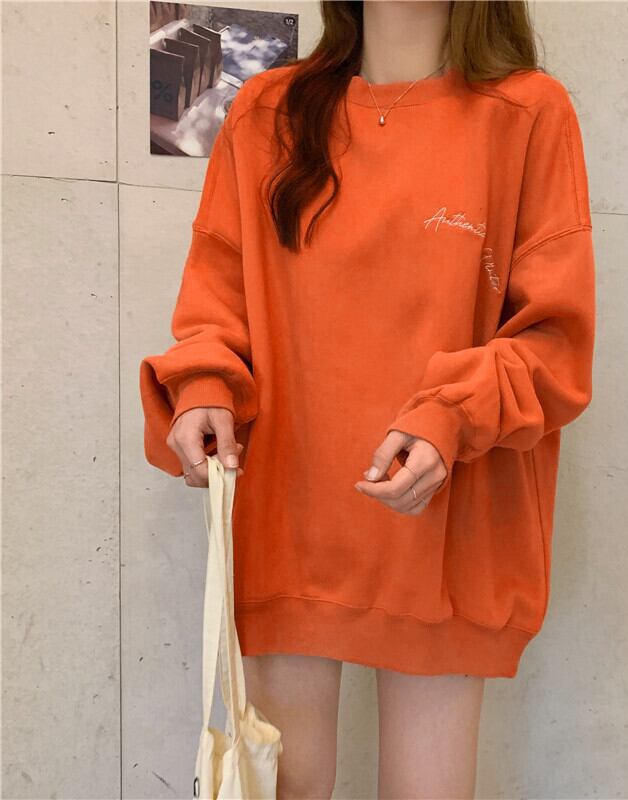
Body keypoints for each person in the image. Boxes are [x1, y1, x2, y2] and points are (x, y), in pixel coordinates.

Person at [139, 1, 596, 796]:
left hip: (447, 539)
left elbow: (555, 342)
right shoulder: (268, 112)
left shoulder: (527, 113)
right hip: (291, 521)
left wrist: (451, 415)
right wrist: (204, 387)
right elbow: (217, 299)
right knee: (284, 788)